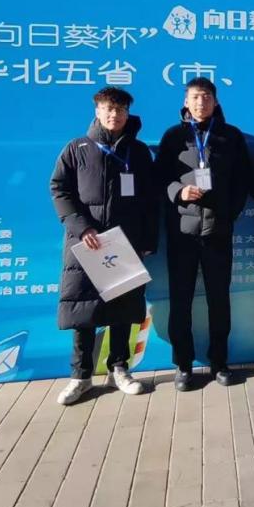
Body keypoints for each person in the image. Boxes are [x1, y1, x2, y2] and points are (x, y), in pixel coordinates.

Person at [50, 86, 158, 405]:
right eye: (109, 108)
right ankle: (80, 376)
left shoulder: (138, 152)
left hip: (125, 242)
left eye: (120, 109)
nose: (115, 115)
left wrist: (147, 240)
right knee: (84, 311)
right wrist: (82, 227)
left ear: (128, 113)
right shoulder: (77, 148)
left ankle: (119, 369)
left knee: (123, 309)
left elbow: (150, 200)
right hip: (87, 243)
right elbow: (60, 189)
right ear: (97, 111)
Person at [154, 77, 250, 391]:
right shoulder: (173, 136)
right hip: (182, 232)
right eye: (195, 96)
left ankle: (219, 362)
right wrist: (179, 192)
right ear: (186, 102)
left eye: (206, 96)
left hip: (218, 232)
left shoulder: (231, 136)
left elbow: (242, 181)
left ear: (215, 101)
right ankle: (183, 364)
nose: (201, 102)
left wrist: (228, 214)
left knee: (219, 300)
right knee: (180, 300)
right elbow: (159, 178)